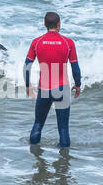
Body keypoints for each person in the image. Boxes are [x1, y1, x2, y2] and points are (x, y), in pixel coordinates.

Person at [24, 11, 81, 149]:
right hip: (62, 88)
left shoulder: (36, 42)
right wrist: (78, 84)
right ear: (58, 24)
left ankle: (34, 153)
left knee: (38, 123)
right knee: (63, 128)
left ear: (45, 24)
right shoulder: (68, 43)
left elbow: (26, 66)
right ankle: (63, 162)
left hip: (44, 89)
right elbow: (75, 68)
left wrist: (28, 85)